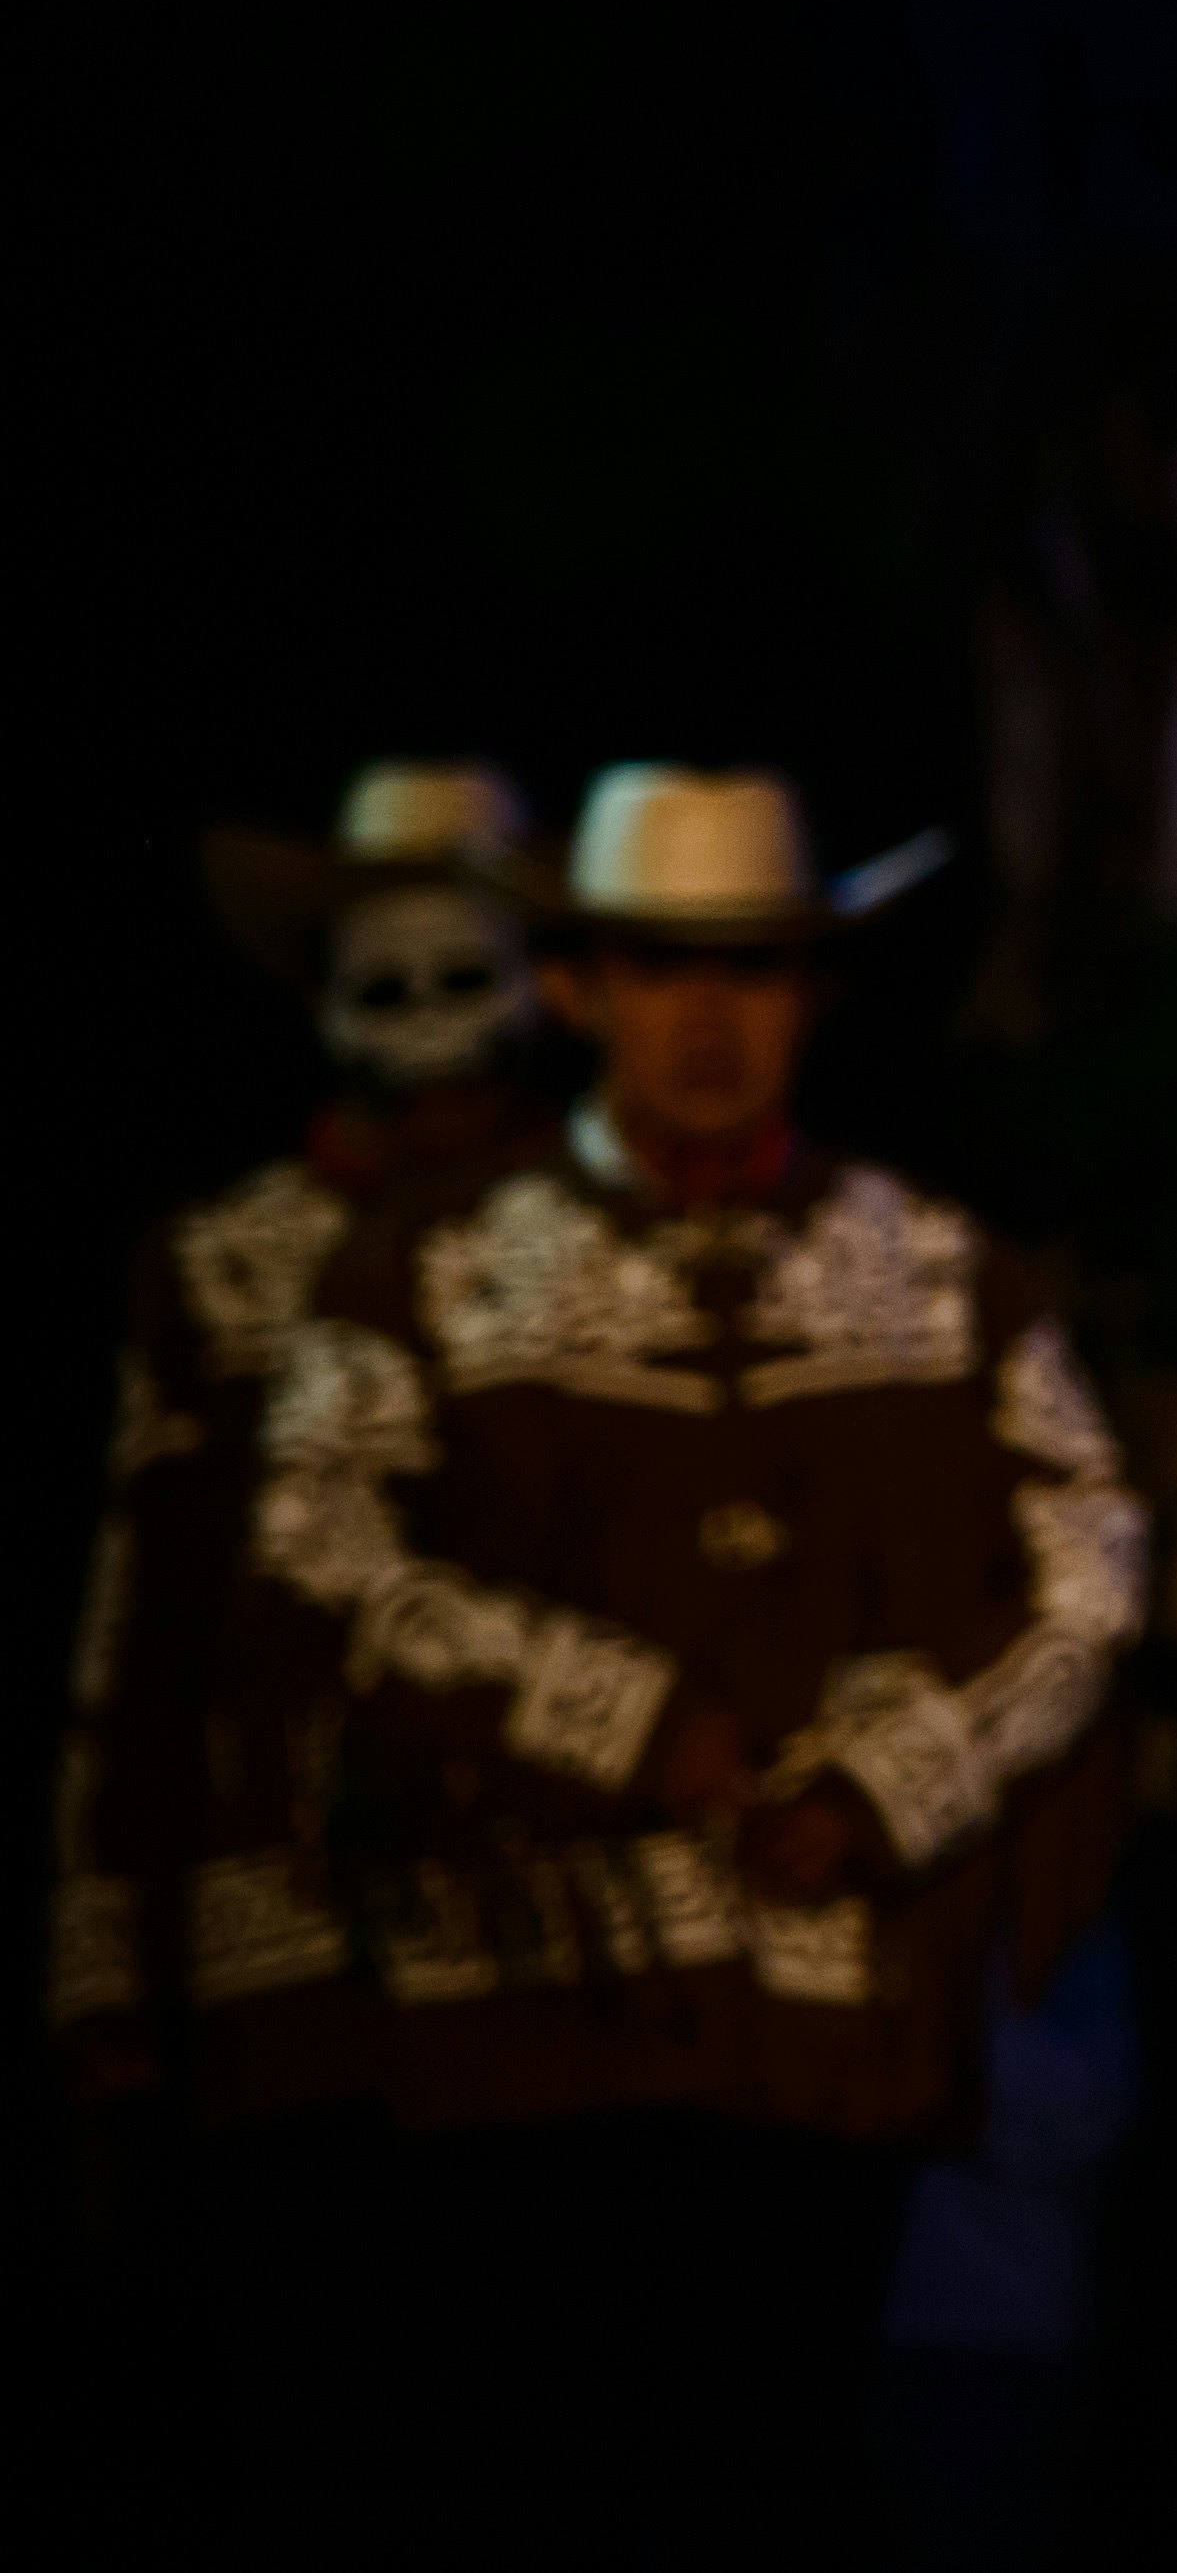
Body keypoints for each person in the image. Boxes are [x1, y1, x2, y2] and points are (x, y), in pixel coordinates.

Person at [241, 762, 1132, 2565]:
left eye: (754, 967)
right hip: (525, 2012)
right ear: (573, 989)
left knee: (788, 2466)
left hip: (830, 2031)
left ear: (815, 992)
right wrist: (608, 1714)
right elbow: (314, 1542)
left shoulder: (948, 1274)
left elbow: (1094, 1571)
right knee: (551, 2469)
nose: (710, 1017)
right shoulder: (424, 1270)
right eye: (662, 965)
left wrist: (899, 1789)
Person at [48, 761, 552, 2553]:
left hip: (552, 1964)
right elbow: (145, 1608)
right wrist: (104, 1962)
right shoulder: (218, 1260)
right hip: (282, 1958)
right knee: (316, 2441)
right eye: (384, 977)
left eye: (463, 969)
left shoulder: (610, 1245)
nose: (426, 1028)